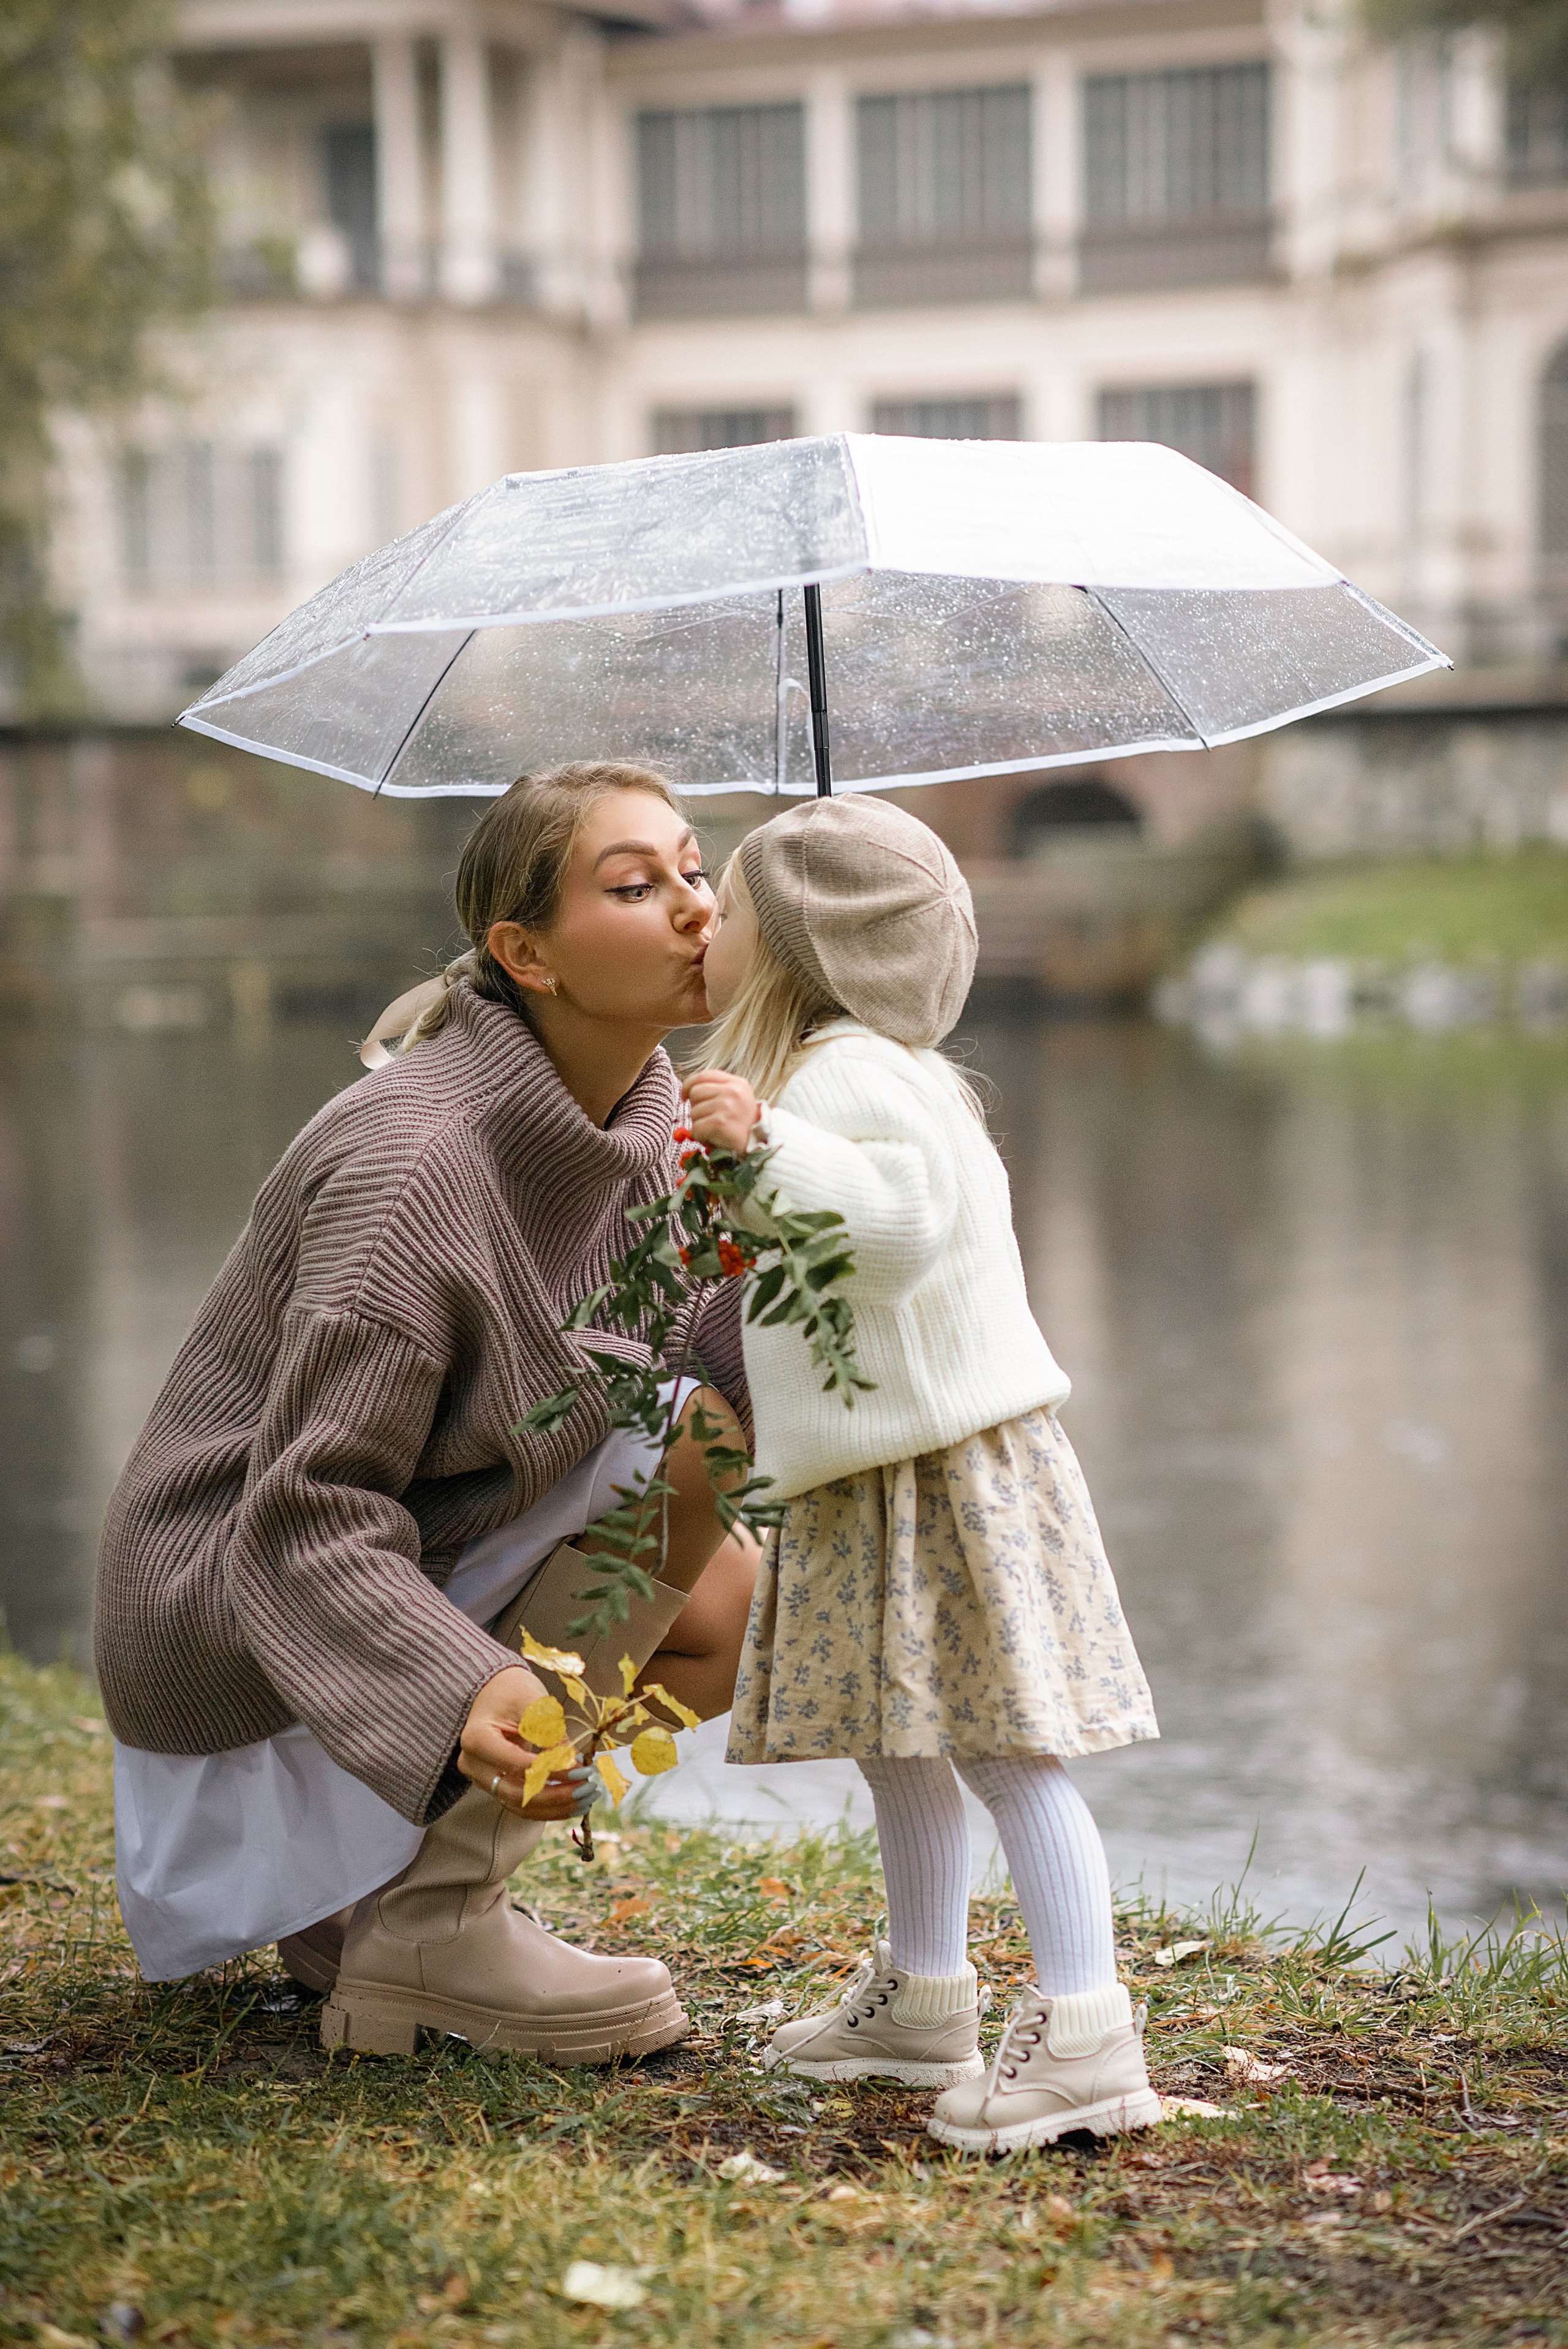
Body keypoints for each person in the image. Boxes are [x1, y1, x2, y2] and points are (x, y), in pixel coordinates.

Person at [96, 761, 758, 2062]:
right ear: (528, 954)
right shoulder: (412, 1161)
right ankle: (430, 1930)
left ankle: (400, 1900)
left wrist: (760, 1215)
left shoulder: (655, 1116)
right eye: (635, 885)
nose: (693, 909)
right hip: (243, 1624)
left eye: (696, 870)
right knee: (690, 1457)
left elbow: (716, 1366)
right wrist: (466, 1683)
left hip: (411, 1563)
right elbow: (308, 1510)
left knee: (727, 1597)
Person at [682, 794, 1162, 2154]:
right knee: (899, 1740)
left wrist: (760, 1145)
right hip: (877, 1463)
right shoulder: (849, 1073)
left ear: (791, 945)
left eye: (726, 900)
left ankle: (1086, 2034)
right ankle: (922, 1997)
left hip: (942, 1468)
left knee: (1003, 1748)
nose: (702, 921)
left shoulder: (846, 1076)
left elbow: (884, 1237)